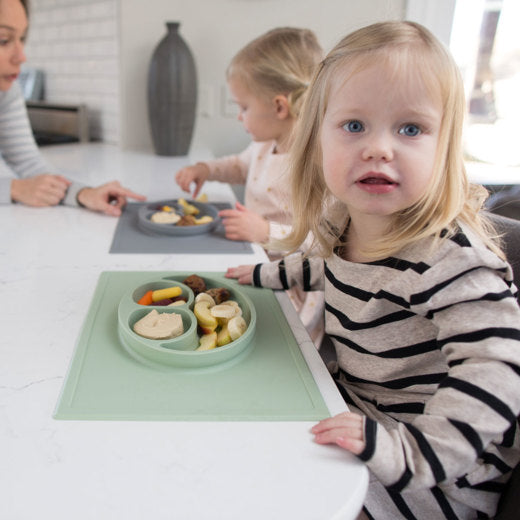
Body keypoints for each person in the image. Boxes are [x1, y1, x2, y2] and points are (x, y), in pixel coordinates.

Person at [226, 21, 520, 519]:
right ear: (317, 138)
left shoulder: (453, 261)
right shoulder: (345, 219)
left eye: (410, 129)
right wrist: (261, 277)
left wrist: (403, 453)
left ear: (444, 144)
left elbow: (499, 377)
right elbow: (322, 267)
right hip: (359, 410)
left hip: (435, 468)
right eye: (354, 126)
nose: (378, 148)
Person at [176, 26, 325, 345]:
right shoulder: (263, 145)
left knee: (269, 344)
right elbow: (238, 167)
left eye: (243, 107)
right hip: (254, 259)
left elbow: (326, 246)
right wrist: (205, 168)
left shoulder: (318, 164)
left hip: (292, 285)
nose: (239, 117)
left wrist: (265, 232)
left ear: (280, 106)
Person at [0, 0, 145, 216]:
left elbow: (29, 165)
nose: (21, 56)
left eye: (22, 38)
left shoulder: (6, 93)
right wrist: (13, 188)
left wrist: (83, 194)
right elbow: (22, 185)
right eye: (3, 40)